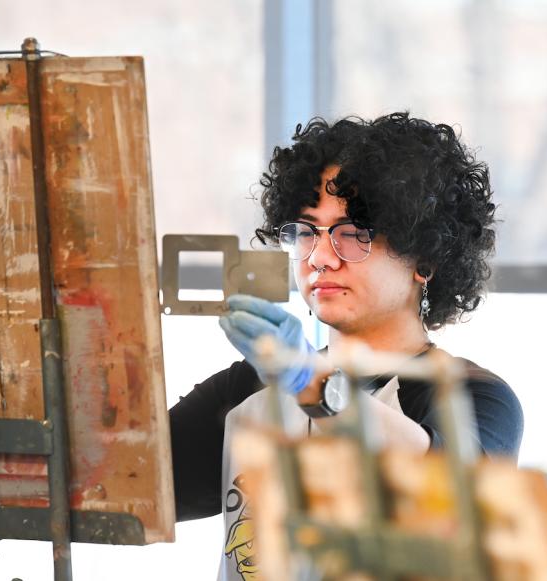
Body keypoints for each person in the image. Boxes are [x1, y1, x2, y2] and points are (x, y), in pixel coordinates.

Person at [169, 112, 523, 580]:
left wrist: (306, 380)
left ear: (425, 258)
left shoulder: (469, 397)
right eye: (306, 232)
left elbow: (444, 493)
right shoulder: (251, 387)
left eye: (353, 235)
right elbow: (123, 481)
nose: (319, 257)